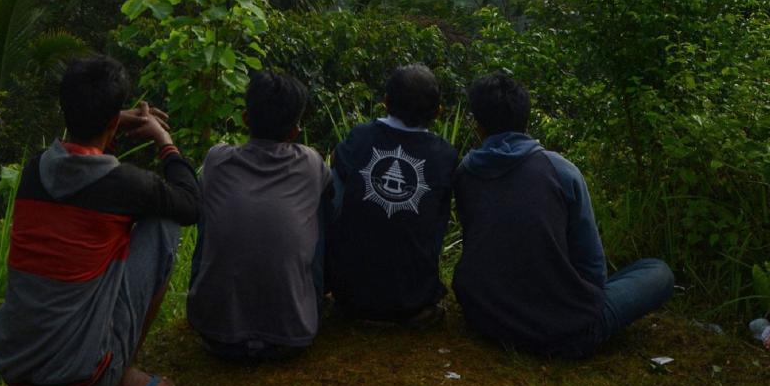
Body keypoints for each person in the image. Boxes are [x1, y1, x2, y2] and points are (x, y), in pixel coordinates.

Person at [0, 55, 198, 386]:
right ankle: (121, 377)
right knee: (164, 223)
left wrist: (114, 121)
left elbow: (85, 156)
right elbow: (190, 205)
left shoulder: (35, 171)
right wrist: (163, 140)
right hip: (82, 382)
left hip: (18, 376)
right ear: (113, 121)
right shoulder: (126, 184)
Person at [452, 72, 674, 358]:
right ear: (526, 121)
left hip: (485, 318)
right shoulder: (561, 171)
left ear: (478, 126)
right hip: (566, 333)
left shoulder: (465, 173)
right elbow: (593, 269)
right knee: (658, 271)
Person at [187, 71, 332, 361]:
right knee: (318, 216)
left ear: (245, 119)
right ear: (295, 132)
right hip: (291, 336)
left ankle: (216, 300)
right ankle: (306, 299)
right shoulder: (311, 164)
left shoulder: (216, 159)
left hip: (215, 335)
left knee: (211, 212)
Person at [326, 64, 458, 325]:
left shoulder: (358, 139)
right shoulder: (444, 155)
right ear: (438, 112)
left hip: (351, 298)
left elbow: (336, 193)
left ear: (385, 102)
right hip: (415, 299)